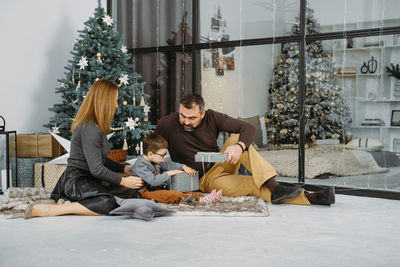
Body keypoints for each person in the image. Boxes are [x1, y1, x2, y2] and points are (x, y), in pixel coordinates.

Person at [155, 93, 335, 205]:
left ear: (202, 113)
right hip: (204, 181)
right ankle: (311, 198)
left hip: (220, 163)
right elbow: (152, 149)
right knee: (256, 185)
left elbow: (248, 128)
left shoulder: (213, 117)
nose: (186, 121)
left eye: (192, 118)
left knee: (237, 139)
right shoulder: (166, 124)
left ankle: (275, 185)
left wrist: (240, 147)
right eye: (182, 116)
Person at [24, 79, 144, 219]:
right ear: (104, 102)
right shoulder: (90, 128)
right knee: (108, 203)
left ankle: (78, 202)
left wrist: (123, 169)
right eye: (115, 101)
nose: (117, 105)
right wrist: (123, 181)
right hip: (76, 180)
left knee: (131, 192)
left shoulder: (96, 126)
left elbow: (100, 160)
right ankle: (54, 210)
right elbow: (97, 169)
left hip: (91, 179)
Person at [132, 132, 222, 205]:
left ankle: (204, 198)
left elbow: (169, 165)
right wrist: (170, 173)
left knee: (184, 191)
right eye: (162, 156)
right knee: (173, 195)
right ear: (150, 154)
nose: (163, 158)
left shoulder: (154, 160)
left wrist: (183, 167)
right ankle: (199, 201)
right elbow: (154, 181)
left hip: (153, 190)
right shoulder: (141, 165)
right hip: (143, 193)